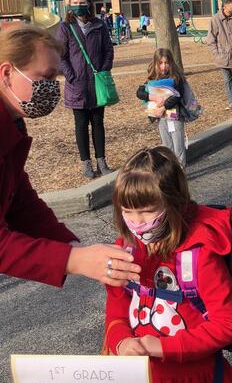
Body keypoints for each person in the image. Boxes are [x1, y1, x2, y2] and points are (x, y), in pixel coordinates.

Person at [105, 147, 232, 383]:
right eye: (127, 211)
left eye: (147, 210)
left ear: (174, 203)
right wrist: (121, 341)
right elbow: (116, 310)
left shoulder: (199, 255)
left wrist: (165, 347)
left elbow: (228, 323)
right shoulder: (126, 249)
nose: (137, 221)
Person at [0, 25, 140, 288]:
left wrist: (72, 246)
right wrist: (75, 259)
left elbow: (20, 201)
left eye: (56, 79)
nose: (52, 88)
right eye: (45, 77)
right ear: (7, 73)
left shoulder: (12, 124)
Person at [57, 0, 114, 179]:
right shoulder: (65, 27)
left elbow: (108, 49)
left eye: (82, 3)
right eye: (75, 4)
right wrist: (71, 75)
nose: (78, 7)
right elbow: (61, 56)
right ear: (69, 6)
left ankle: (101, 161)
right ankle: (86, 164)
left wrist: (105, 68)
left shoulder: (99, 25)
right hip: (77, 85)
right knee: (81, 125)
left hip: (97, 83)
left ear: (89, 4)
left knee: (98, 123)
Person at [136, 48, 188, 166]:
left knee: (178, 147)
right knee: (167, 147)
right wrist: (153, 97)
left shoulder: (176, 78)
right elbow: (139, 92)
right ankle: (170, 172)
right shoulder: (152, 78)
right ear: (155, 63)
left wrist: (163, 107)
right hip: (161, 118)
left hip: (174, 116)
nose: (163, 66)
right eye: (160, 63)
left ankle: (180, 173)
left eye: (166, 63)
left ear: (171, 63)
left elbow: (177, 96)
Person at [206, 0, 232, 110]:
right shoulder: (215, 20)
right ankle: (231, 102)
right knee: (227, 80)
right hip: (223, 56)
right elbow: (210, 39)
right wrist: (216, 54)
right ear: (225, 6)